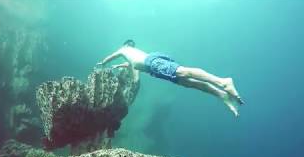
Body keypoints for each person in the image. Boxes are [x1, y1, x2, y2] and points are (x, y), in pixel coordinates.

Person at [97, 40, 244, 117]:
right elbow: (131, 63)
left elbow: (113, 56)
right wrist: (119, 67)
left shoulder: (125, 49)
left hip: (152, 63)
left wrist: (103, 62)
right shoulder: (133, 55)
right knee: (188, 83)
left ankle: (223, 82)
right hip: (153, 67)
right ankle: (222, 95)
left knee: (184, 72)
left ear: (125, 45)